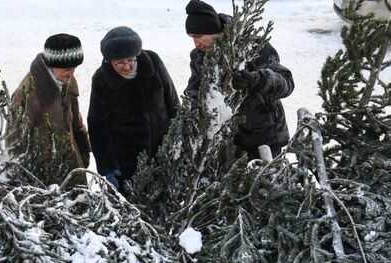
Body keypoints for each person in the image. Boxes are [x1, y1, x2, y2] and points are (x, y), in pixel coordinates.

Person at [185, 0, 294, 159]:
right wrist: (195, 107)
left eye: (198, 36)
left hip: (266, 140)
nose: (196, 43)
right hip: (228, 144)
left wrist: (258, 79)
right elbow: (194, 88)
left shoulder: (253, 46)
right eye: (191, 37)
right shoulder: (199, 57)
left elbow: (287, 82)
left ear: (213, 31)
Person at [88, 26, 180, 191]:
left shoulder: (154, 62)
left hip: (163, 153)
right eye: (120, 62)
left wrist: (180, 141)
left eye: (130, 60)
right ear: (110, 61)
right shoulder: (101, 79)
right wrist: (107, 166)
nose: (126, 67)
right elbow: (97, 125)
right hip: (126, 163)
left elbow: (172, 101)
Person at [7, 33, 91, 174]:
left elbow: (76, 122)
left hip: (72, 169)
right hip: (42, 176)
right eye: (67, 70)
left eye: (74, 69)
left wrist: (83, 154)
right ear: (52, 65)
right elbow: (15, 142)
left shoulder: (67, 80)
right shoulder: (27, 93)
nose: (71, 74)